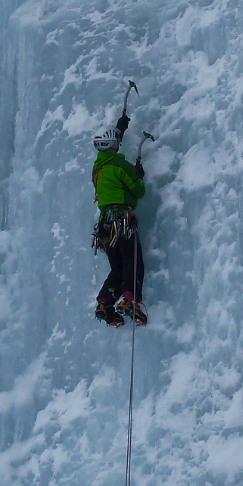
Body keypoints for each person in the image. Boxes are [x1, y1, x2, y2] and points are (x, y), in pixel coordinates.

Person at [92, 113, 147, 327]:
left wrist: (119, 129)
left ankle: (105, 303)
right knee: (133, 261)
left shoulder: (99, 167)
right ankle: (129, 300)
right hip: (122, 221)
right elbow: (138, 191)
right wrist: (138, 175)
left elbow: (110, 150)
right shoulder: (120, 166)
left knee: (118, 266)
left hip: (105, 226)